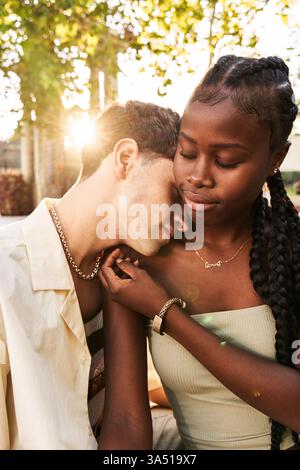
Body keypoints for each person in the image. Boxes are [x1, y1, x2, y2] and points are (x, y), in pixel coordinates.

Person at [100, 55, 300, 450]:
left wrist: (166, 314)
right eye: (187, 152)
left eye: (225, 161)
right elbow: (124, 418)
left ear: (275, 159)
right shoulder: (140, 257)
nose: (197, 176)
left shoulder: (290, 253)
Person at [0, 100, 181, 449]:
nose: (180, 220)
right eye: (173, 193)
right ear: (126, 158)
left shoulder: (119, 272)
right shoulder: (7, 274)